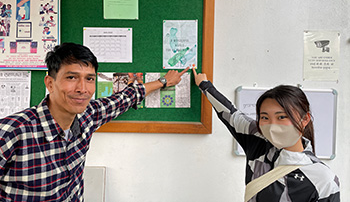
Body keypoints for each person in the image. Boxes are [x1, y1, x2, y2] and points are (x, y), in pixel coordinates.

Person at [0, 43, 189, 202]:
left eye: (89, 79)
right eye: (71, 77)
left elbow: (126, 98)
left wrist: (163, 81)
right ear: (50, 83)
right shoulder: (11, 132)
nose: (82, 89)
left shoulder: (87, 116)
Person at [192, 68, 340, 202]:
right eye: (264, 117)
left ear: (305, 119)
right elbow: (231, 114)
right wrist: (205, 85)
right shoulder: (257, 139)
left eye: (282, 117)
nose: (272, 125)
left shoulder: (323, 179)